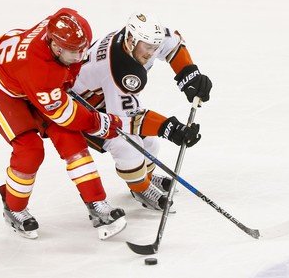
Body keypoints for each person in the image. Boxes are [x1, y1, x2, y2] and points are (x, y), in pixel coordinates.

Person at [0, 8, 127, 241]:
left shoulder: (75, 27)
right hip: (0, 88)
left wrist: (64, 81)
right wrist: (99, 122)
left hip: (31, 81)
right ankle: (14, 207)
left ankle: (97, 204)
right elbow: (67, 116)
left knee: (71, 140)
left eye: (80, 51)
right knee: (30, 150)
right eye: (72, 53)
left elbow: (66, 13)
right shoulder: (38, 70)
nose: (78, 58)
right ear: (55, 46)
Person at [70, 12, 212, 211]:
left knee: (150, 142)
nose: (151, 52)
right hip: (82, 109)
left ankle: (147, 175)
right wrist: (171, 129)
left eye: (155, 47)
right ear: (130, 39)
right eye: (148, 48)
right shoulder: (119, 68)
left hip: (106, 96)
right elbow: (126, 120)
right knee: (128, 146)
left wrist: (189, 75)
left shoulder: (144, 39)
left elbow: (173, 44)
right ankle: (141, 188)